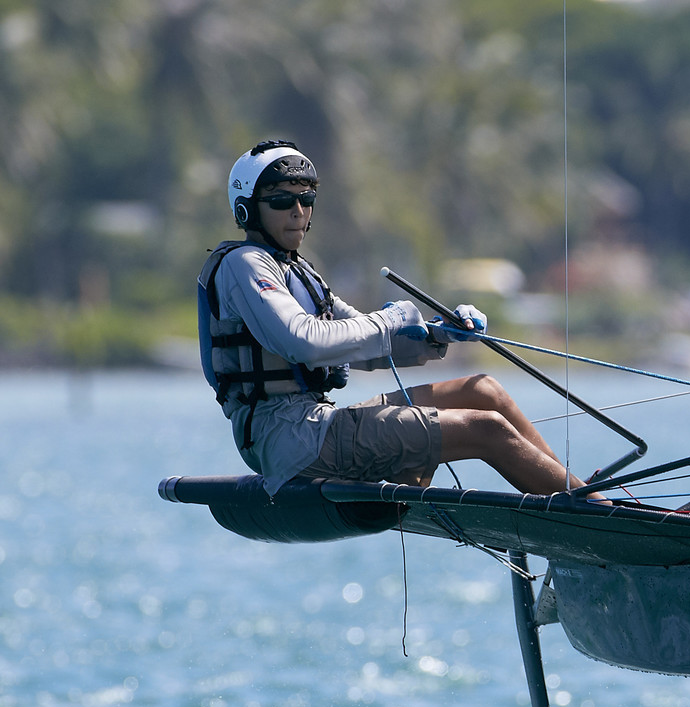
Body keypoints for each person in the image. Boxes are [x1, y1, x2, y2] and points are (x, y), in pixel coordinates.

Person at [199, 139, 582, 498]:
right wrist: (391, 318)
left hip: (317, 423)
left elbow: (366, 346)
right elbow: (304, 341)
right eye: (282, 200)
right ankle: (597, 517)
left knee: (485, 391)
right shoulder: (244, 264)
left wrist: (438, 334)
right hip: (290, 439)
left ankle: (584, 497)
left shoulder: (298, 272)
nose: (298, 211)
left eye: (306, 198)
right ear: (247, 208)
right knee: (487, 430)